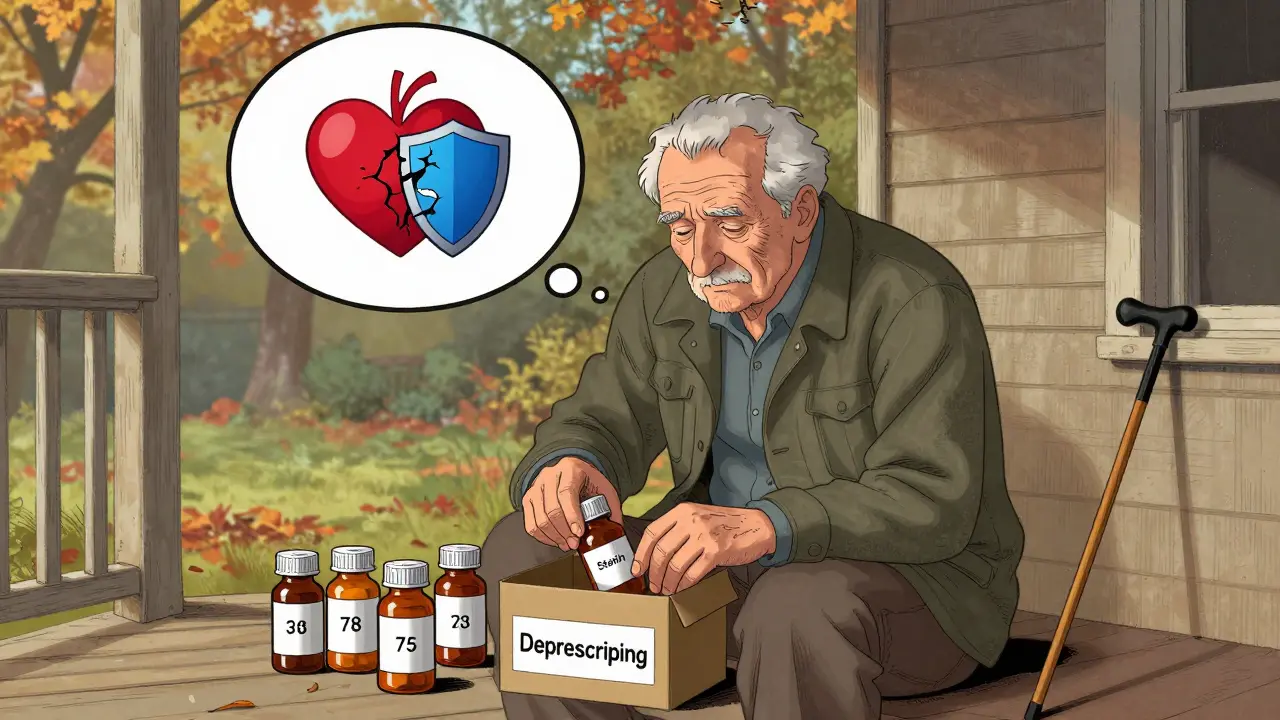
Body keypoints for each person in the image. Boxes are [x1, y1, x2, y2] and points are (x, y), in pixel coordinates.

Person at [481, 93, 1025, 720]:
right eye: (681, 228)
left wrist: (769, 525)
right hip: (717, 576)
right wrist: (569, 461)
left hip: (914, 592)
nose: (701, 257)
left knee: (796, 604)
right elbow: (605, 415)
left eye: (730, 222)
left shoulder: (912, 295)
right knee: (521, 552)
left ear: (801, 209)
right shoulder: (665, 291)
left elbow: (934, 499)